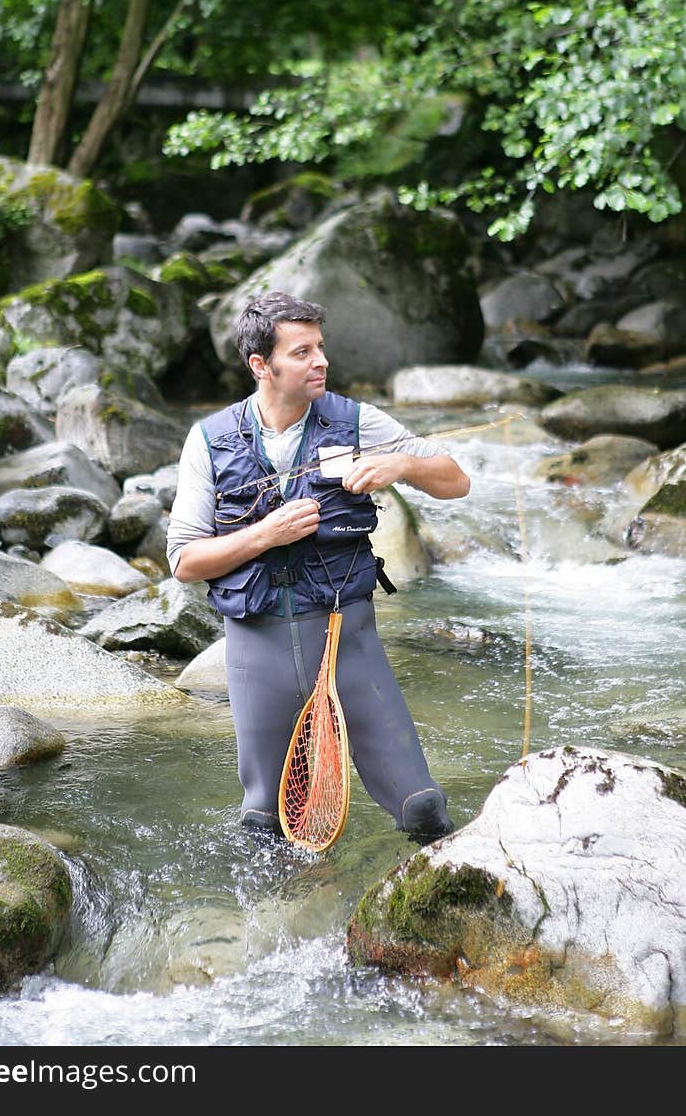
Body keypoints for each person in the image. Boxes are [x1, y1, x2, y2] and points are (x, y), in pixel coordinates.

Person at [167, 291, 471, 842]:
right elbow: (185, 561)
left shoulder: (358, 422)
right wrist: (265, 534)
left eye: (320, 348)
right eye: (302, 351)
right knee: (266, 825)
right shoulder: (208, 440)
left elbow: (456, 480)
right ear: (262, 366)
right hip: (257, 648)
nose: (321, 361)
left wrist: (400, 464)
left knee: (424, 808)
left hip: (347, 639)